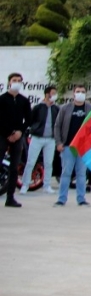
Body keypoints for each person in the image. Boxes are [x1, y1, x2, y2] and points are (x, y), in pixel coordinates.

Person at [53, 84, 91, 207]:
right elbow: (57, 126)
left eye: (83, 91)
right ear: (73, 94)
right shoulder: (65, 108)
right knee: (66, 173)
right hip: (68, 146)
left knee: (81, 174)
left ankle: (81, 199)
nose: (80, 93)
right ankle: (61, 198)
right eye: (78, 91)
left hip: (83, 147)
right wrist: (59, 142)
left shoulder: (90, 108)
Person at [0, 72, 31, 207]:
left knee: (14, 168)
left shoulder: (24, 100)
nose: (17, 82)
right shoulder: (2, 99)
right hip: (2, 135)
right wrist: (8, 133)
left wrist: (20, 132)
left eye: (19, 80)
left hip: (18, 136)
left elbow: (29, 119)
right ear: (9, 82)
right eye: (14, 80)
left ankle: (10, 197)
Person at [20, 85, 59, 195]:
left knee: (48, 163)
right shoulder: (37, 107)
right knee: (31, 161)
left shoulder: (56, 108)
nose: (55, 95)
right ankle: (25, 185)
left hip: (50, 139)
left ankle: (47, 185)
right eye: (53, 93)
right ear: (47, 94)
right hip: (37, 138)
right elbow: (30, 121)